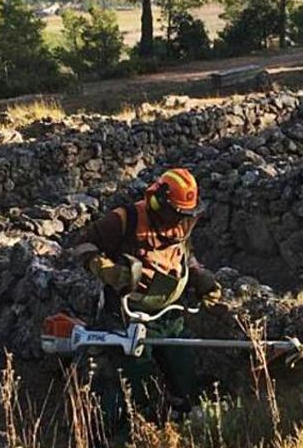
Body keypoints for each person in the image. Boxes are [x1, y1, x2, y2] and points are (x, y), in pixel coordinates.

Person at [67, 168, 223, 439]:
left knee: (184, 375)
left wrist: (200, 277)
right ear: (158, 202)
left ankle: (181, 425)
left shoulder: (181, 224)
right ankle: (127, 434)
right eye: (176, 213)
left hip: (169, 316)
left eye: (185, 215)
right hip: (128, 318)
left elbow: (184, 255)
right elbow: (82, 245)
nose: (180, 220)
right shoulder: (125, 219)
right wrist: (105, 269)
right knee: (140, 387)